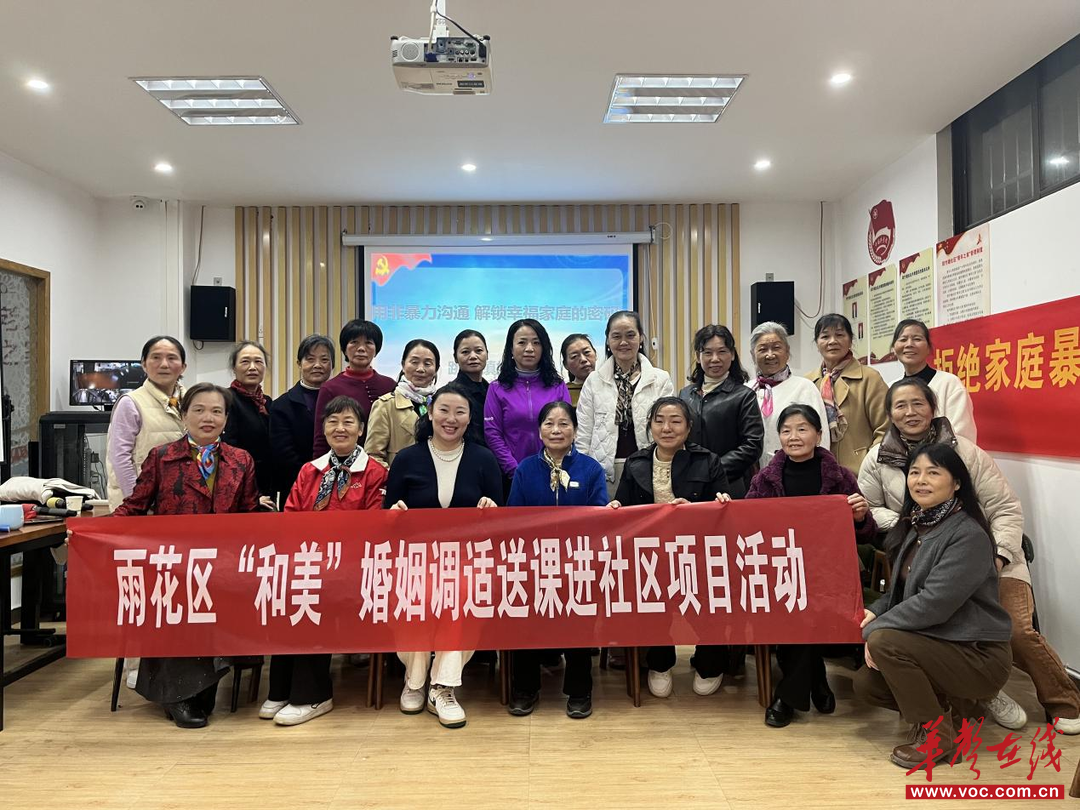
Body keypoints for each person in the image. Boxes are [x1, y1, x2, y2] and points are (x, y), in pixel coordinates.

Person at [858, 376, 1080, 734]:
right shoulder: (878, 459)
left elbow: (1006, 509)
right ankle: (970, 696)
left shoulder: (966, 452)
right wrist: (907, 520)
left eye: (918, 403)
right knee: (932, 628)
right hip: (927, 552)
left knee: (1015, 631)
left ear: (933, 408)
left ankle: (1062, 700)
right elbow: (870, 507)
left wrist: (995, 557)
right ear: (889, 414)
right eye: (900, 405)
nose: (910, 412)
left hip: (990, 555)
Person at [853, 444, 1014, 769]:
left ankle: (937, 737)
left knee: (884, 643)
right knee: (867, 685)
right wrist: (878, 611)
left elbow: (934, 604)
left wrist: (876, 629)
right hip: (939, 642)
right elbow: (902, 592)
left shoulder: (967, 535)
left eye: (933, 472)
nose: (921, 480)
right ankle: (957, 710)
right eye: (914, 472)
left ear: (956, 483)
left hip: (976, 653)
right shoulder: (917, 524)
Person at [114, 383, 260, 729]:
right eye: (199, 410)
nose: (208, 418)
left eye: (216, 411)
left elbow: (250, 515)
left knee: (225, 598)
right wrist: (93, 533)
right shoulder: (162, 457)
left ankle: (190, 691)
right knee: (178, 600)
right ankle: (178, 694)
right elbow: (135, 506)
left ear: (226, 419)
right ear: (184, 415)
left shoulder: (241, 460)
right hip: (174, 564)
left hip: (222, 565)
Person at [745, 404, 876, 727]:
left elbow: (867, 534)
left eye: (802, 429)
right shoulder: (765, 479)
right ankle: (815, 677)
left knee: (807, 610)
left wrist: (859, 517)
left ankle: (787, 698)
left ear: (818, 435)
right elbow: (746, 523)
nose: (794, 436)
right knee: (796, 611)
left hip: (829, 573)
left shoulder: (841, 477)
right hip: (780, 571)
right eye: (786, 430)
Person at [260, 395, 388, 726]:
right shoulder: (309, 470)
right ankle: (281, 688)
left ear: (361, 429)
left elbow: (372, 527)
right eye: (333, 421)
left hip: (352, 569)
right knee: (283, 591)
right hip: (308, 561)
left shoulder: (375, 473)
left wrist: (331, 559)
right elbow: (291, 517)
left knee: (311, 597)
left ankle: (313, 695)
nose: (340, 428)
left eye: (348, 422)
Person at [385, 384, 503, 728]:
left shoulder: (484, 458)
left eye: (460, 412)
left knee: (464, 596)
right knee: (414, 596)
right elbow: (388, 513)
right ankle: (414, 681)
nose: (451, 419)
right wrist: (395, 512)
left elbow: (499, 513)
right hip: (416, 558)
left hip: (468, 558)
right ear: (431, 413)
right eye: (444, 410)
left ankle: (442, 687)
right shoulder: (407, 458)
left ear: (470, 418)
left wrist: (490, 507)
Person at [608, 396, 732, 698]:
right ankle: (660, 664)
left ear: (688, 428)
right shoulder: (636, 461)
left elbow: (725, 510)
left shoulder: (708, 460)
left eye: (676, 421)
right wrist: (615, 507)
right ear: (650, 426)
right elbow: (623, 506)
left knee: (707, 608)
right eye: (659, 420)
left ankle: (710, 664)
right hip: (651, 554)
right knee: (655, 608)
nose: (667, 428)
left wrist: (698, 510)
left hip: (697, 552)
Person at [506, 400, 607, 719]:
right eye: (549, 423)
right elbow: (513, 518)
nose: (556, 430)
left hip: (578, 561)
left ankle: (579, 690)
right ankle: (525, 688)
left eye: (564, 423)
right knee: (524, 617)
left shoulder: (591, 469)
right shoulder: (525, 469)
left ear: (575, 430)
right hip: (534, 562)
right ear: (539, 431)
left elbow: (599, 517)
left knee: (578, 619)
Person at [576, 311, 674, 498]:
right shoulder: (594, 380)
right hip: (603, 471)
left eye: (630, 335)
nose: (623, 342)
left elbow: (667, 429)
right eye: (616, 336)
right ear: (607, 340)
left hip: (648, 469)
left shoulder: (660, 379)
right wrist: (584, 471)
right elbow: (584, 433)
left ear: (641, 338)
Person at [679, 324, 763, 499]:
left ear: (732, 355)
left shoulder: (744, 396)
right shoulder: (685, 394)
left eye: (722, 351)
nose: (715, 359)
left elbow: (752, 446)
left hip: (731, 484)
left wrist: (712, 469)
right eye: (708, 352)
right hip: (690, 484)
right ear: (698, 356)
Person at [484, 319, 570, 490]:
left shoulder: (557, 385)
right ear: (511, 348)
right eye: (522, 342)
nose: (529, 348)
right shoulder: (497, 388)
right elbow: (492, 434)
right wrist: (514, 470)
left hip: (554, 473)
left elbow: (567, 428)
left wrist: (555, 465)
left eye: (536, 343)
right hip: (511, 477)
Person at [106, 335, 188, 511]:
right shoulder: (131, 403)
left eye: (172, 358)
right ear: (144, 364)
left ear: (183, 367)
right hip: (140, 505)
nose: (164, 364)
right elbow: (119, 458)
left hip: (180, 503)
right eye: (156, 357)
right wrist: (137, 501)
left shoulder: (193, 401)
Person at [806, 313, 889, 477]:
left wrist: (869, 466)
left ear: (850, 340)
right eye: (825, 336)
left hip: (860, 473)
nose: (832, 341)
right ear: (817, 343)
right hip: (816, 474)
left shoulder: (869, 378)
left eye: (839, 335)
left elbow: (885, 429)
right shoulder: (808, 383)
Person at [746, 321, 830, 468]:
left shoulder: (804, 387)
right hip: (751, 473)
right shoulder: (746, 390)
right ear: (753, 355)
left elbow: (821, 438)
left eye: (776, 348)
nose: (770, 355)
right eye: (763, 349)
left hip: (796, 471)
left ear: (787, 351)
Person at [312, 319, 396, 458]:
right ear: (344, 349)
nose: (361, 348)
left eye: (368, 343)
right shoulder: (330, 388)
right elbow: (321, 438)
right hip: (344, 463)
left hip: (386, 462)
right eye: (354, 342)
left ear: (376, 349)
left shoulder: (389, 385)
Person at [268, 334, 335, 501]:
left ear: (332, 364)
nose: (317, 365)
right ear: (299, 363)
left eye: (324, 360)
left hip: (339, 488)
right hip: (297, 488)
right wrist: (313, 479)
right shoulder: (281, 405)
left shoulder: (342, 401)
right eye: (310, 359)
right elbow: (283, 455)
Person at [891, 318, 976, 442]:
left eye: (917, 339)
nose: (909, 344)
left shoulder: (949, 384)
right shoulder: (890, 388)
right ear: (893, 348)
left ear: (929, 348)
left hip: (943, 454)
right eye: (903, 339)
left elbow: (963, 437)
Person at [365, 339, 440, 467]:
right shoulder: (385, 405)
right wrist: (396, 477)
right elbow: (374, 456)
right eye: (414, 362)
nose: (420, 369)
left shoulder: (441, 403)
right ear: (403, 365)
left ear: (436, 369)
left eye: (427, 364)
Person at [222, 340, 276, 508]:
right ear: (234, 368)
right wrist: (252, 496)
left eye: (258, 361)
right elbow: (227, 454)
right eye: (245, 361)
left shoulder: (267, 402)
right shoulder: (225, 400)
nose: (252, 367)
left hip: (267, 487)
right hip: (241, 492)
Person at [452, 329, 490, 445]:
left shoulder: (493, 391)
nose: (473, 356)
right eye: (465, 352)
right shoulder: (451, 393)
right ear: (455, 358)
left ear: (487, 354)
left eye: (479, 351)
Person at [561, 333, 597, 406]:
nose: (583, 359)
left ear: (595, 354)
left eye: (586, 352)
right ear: (565, 365)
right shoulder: (562, 393)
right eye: (574, 356)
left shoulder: (611, 385)